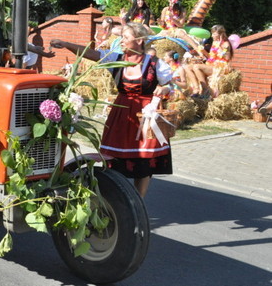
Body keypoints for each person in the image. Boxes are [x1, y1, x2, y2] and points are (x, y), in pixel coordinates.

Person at [50, 22, 173, 198]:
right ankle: (115, 198)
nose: (121, 40)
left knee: (144, 162)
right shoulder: (116, 58)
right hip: (122, 115)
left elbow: (171, 86)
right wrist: (66, 44)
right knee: (114, 160)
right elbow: (91, 53)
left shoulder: (155, 64)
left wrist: (165, 89)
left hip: (146, 116)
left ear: (139, 41)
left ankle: (138, 201)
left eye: (126, 37)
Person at [189, 25, 232, 98]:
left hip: (220, 67)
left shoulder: (226, 44)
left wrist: (220, 47)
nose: (212, 36)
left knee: (196, 67)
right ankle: (196, 89)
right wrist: (203, 51)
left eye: (214, 34)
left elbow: (227, 58)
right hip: (212, 64)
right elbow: (210, 57)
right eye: (212, 33)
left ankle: (205, 90)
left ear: (221, 34)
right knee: (188, 67)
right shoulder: (214, 42)